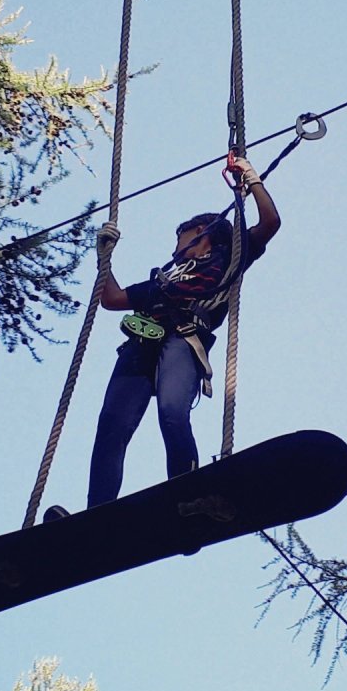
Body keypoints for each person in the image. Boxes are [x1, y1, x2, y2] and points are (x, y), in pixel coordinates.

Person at [48, 155, 281, 517]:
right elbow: (112, 299)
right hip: (141, 344)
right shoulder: (163, 280)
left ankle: (191, 494)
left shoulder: (227, 257)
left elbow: (270, 222)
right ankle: (97, 513)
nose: (175, 249)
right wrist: (103, 258)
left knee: (172, 412)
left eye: (181, 239)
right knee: (111, 425)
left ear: (203, 235)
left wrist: (250, 178)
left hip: (183, 338)